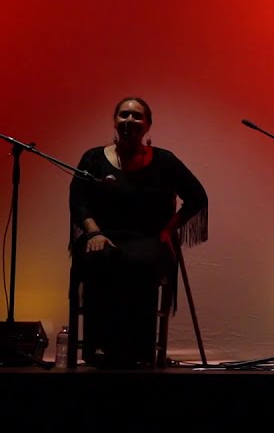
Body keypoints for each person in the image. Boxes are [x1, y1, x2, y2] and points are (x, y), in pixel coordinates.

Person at [69, 97, 208, 369]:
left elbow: (197, 197)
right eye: (124, 115)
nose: (129, 120)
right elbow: (78, 200)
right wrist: (94, 233)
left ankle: (137, 351)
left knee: (140, 261)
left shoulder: (164, 160)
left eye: (137, 116)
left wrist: (169, 229)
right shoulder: (93, 158)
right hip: (103, 235)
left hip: (149, 239)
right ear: (114, 121)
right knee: (102, 258)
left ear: (148, 125)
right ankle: (100, 348)